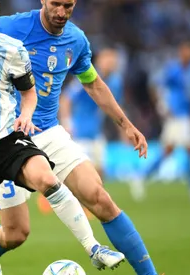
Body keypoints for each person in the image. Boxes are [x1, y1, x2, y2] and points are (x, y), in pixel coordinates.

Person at [0, 1, 159, 275]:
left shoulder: (76, 40)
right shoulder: (12, 26)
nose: (61, 11)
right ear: (43, 1)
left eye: (68, 5)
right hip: (4, 139)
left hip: (49, 132)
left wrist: (126, 124)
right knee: (16, 233)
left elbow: (92, 83)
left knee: (100, 198)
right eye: (56, 4)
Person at [37, 47, 125, 217]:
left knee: (100, 170)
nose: (110, 63)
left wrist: (123, 128)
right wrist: (67, 122)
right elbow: (66, 99)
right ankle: (50, 197)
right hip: (80, 131)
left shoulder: (115, 82)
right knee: (76, 172)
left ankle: (91, 203)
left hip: (96, 132)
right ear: (100, 60)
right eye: (107, 58)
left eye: (113, 60)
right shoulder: (87, 78)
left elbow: (115, 106)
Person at [130, 41, 190, 204]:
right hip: (176, 115)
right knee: (188, 148)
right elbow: (156, 85)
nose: (186, 54)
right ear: (180, 52)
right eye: (184, 51)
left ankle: (141, 177)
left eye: (189, 51)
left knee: (169, 151)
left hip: (185, 115)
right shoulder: (173, 69)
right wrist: (161, 105)